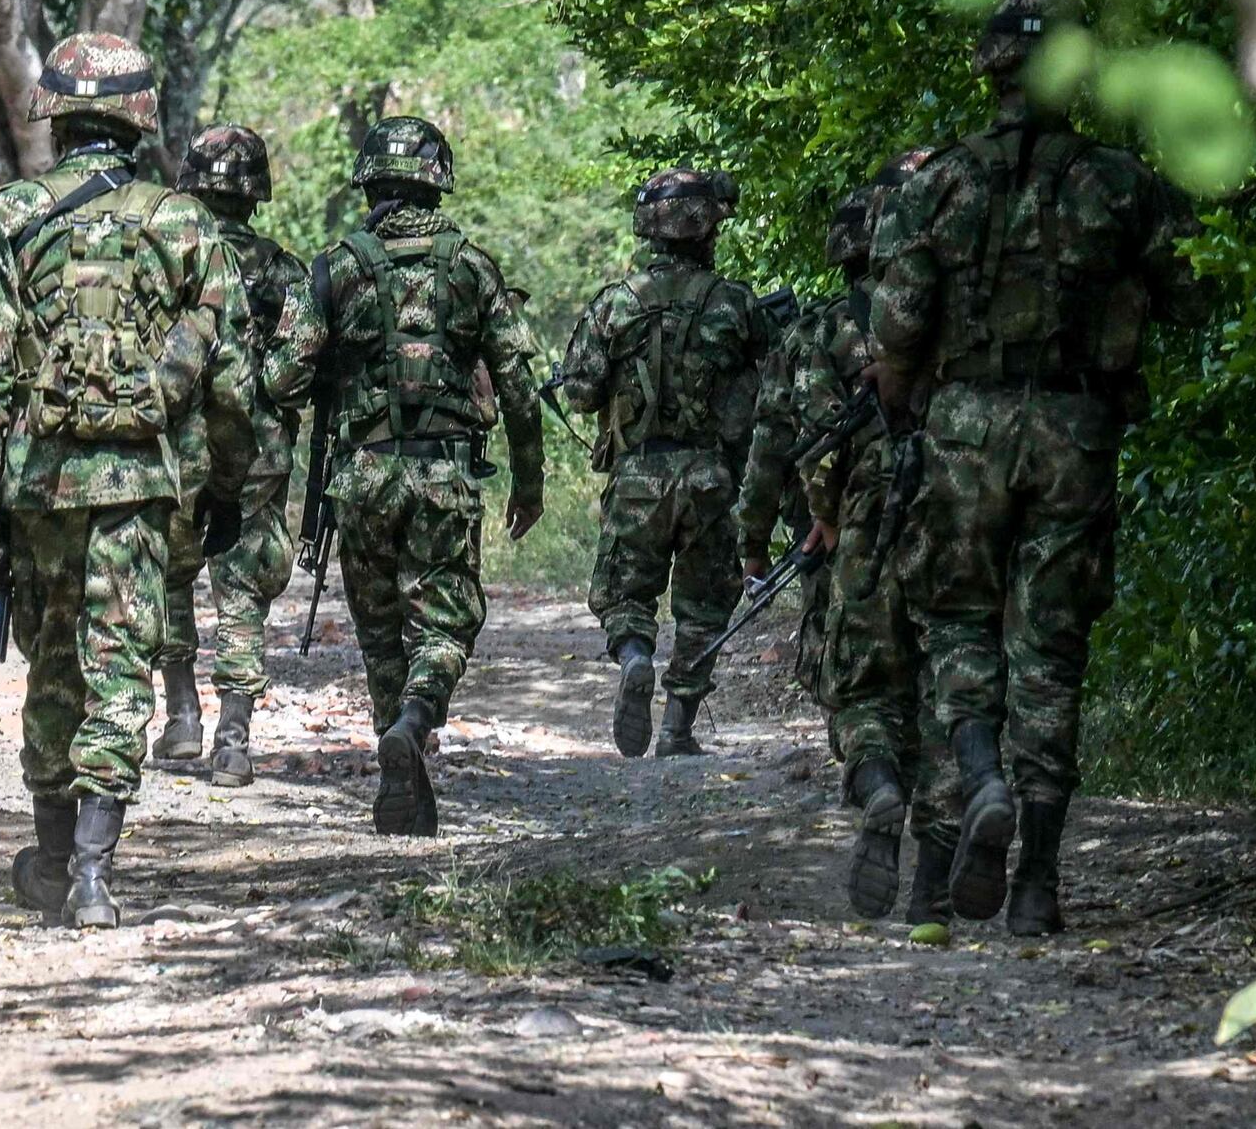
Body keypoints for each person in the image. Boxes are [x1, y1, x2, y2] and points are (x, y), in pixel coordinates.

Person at [867, 0, 1198, 938]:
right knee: (1051, 651)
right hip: (1074, 430)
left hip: (964, 423)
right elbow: (1191, 301)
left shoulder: (936, 183)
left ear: (990, 71)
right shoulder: (1122, 184)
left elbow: (897, 327)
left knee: (959, 627)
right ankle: (1037, 885)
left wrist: (907, 411)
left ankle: (978, 780)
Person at [0, 33, 225, 929]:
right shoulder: (181, 220)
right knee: (119, 672)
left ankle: (56, 853)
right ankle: (96, 876)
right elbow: (228, 371)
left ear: (56, 114)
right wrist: (218, 482)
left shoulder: (10, 214)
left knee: (54, 670)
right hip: (140, 487)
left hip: (39, 488)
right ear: (140, 116)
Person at [280, 111, 546, 836]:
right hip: (443, 478)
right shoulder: (471, 266)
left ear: (371, 181)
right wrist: (531, 482)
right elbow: (519, 384)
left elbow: (282, 379)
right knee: (445, 626)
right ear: (439, 183)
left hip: (361, 480)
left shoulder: (334, 267)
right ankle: (418, 718)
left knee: (380, 636)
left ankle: (401, 760)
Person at [743, 177, 929, 914]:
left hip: (850, 521)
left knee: (860, 685)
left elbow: (769, 448)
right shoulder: (946, 328)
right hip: (950, 513)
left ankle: (878, 780)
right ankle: (937, 879)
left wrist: (753, 544)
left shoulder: (810, 334)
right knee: (948, 679)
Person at [555, 164, 772, 756]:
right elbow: (778, 378)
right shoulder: (735, 304)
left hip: (637, 477)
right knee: (706, 603)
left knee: (625, 594)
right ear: (707, 231)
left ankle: (633, 657)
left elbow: (576, 391)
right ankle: (678, 725)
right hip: (709, 477)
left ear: (648, 231)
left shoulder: (615, 305)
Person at [161, 120, 305, 784]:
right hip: (258, 449)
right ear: (256, 192)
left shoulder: (166, 255)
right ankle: (234, 737)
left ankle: (182, 713)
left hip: (178, 442)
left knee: (169, 573)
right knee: (242, 586)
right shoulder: (283, 269)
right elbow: (303, 365)